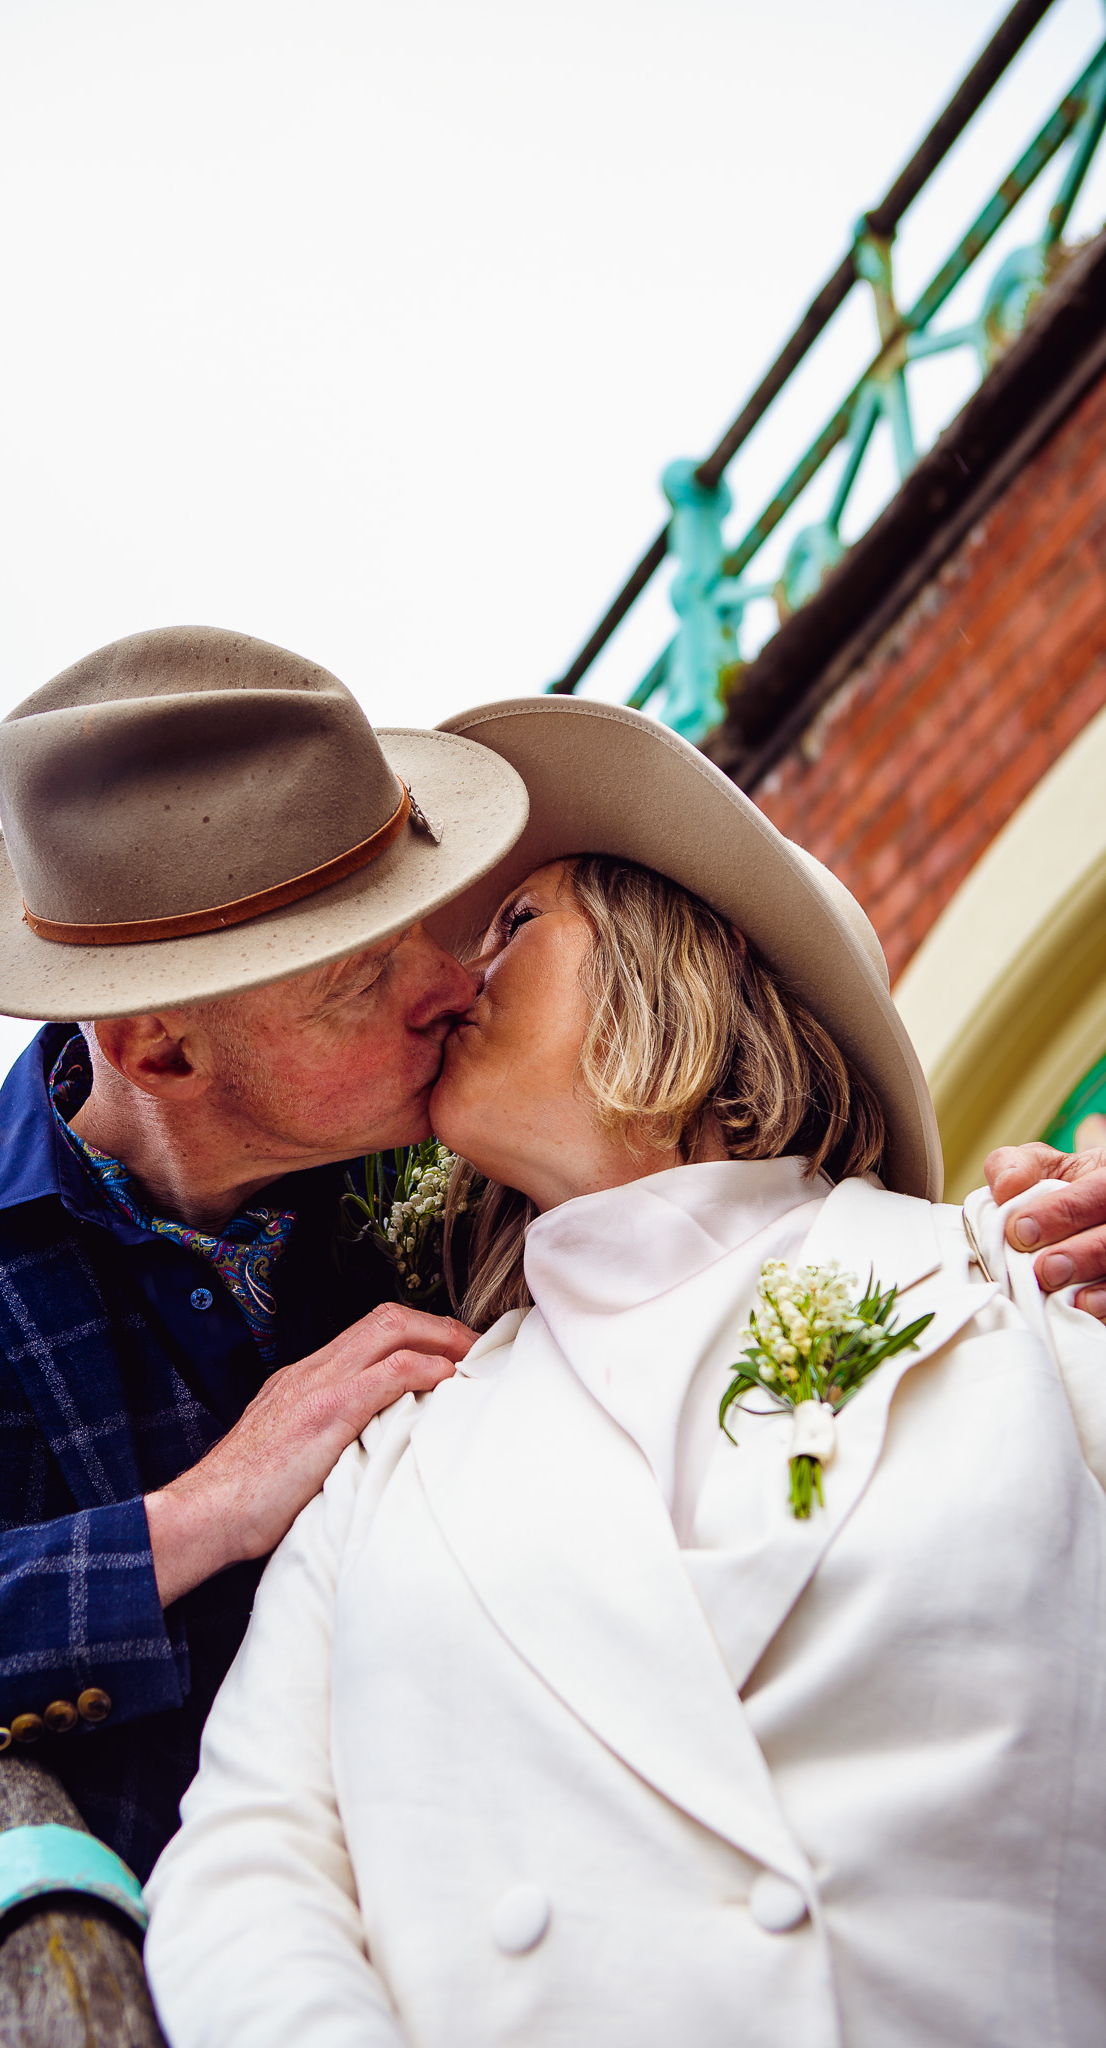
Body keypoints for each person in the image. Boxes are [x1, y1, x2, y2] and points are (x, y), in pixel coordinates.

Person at [0, 636, 1098, 1884]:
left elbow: (724, 1263)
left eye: (442, 923)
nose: (448, 986)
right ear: (160, 1051)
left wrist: (1024, 1246)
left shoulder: (480, 1200)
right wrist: (191, 1520)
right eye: (360, 978)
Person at [142, 696, 1106, 2048]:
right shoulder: (392, 1455)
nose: (449, 979)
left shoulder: (1017, 1287)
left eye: (513, 924)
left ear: (684, 955)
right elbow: (251, 1870)